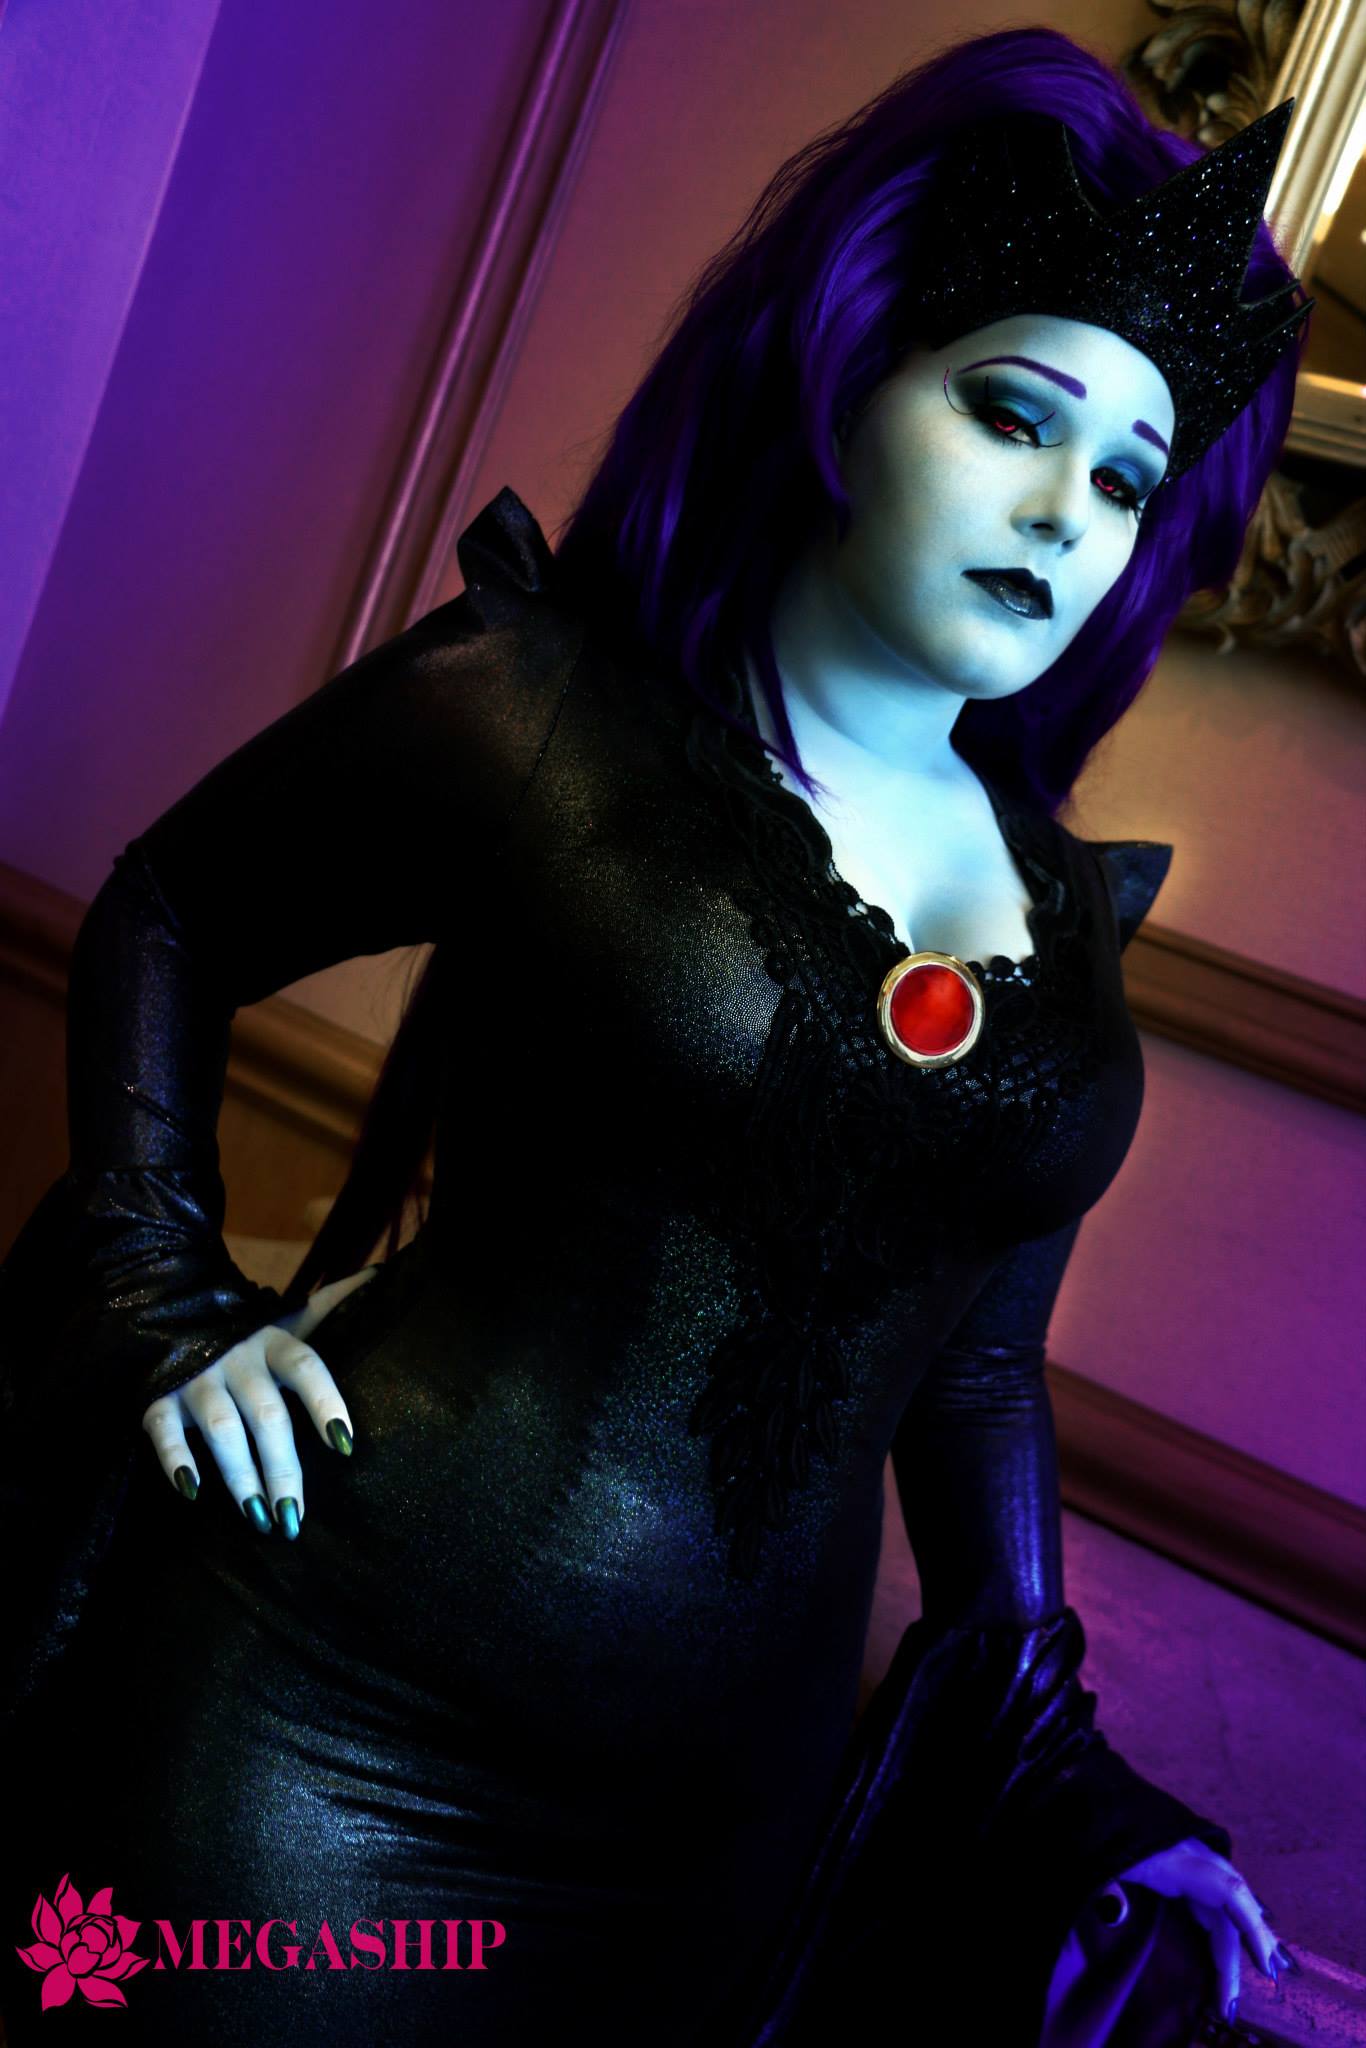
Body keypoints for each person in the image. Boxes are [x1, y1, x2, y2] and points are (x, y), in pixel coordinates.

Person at [0, 25, 1312, 2046]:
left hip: (715, 1849)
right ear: (847, 390)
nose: (1065, 512)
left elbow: (971, 1368)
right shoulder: (536, 711)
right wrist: (158, 1291)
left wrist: (1058, 1772)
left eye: (1125, 482)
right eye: (1008, 415)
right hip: (323, 1739)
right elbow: (173, 908)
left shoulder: (1066, 919)